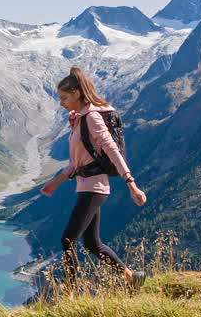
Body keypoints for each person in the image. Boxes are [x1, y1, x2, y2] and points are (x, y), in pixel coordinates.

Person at [39, 66, 148, 290]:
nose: (61, 103)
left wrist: (131, 185)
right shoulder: (80, 119)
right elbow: (78, 162)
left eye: (64, 97)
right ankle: (132, 277)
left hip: (94, 187)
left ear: (77, 93)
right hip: (86, 185)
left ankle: (71, 294)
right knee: (92, 244)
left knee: (67, 240)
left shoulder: (92, 117)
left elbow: (112, 149)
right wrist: (55, 183)